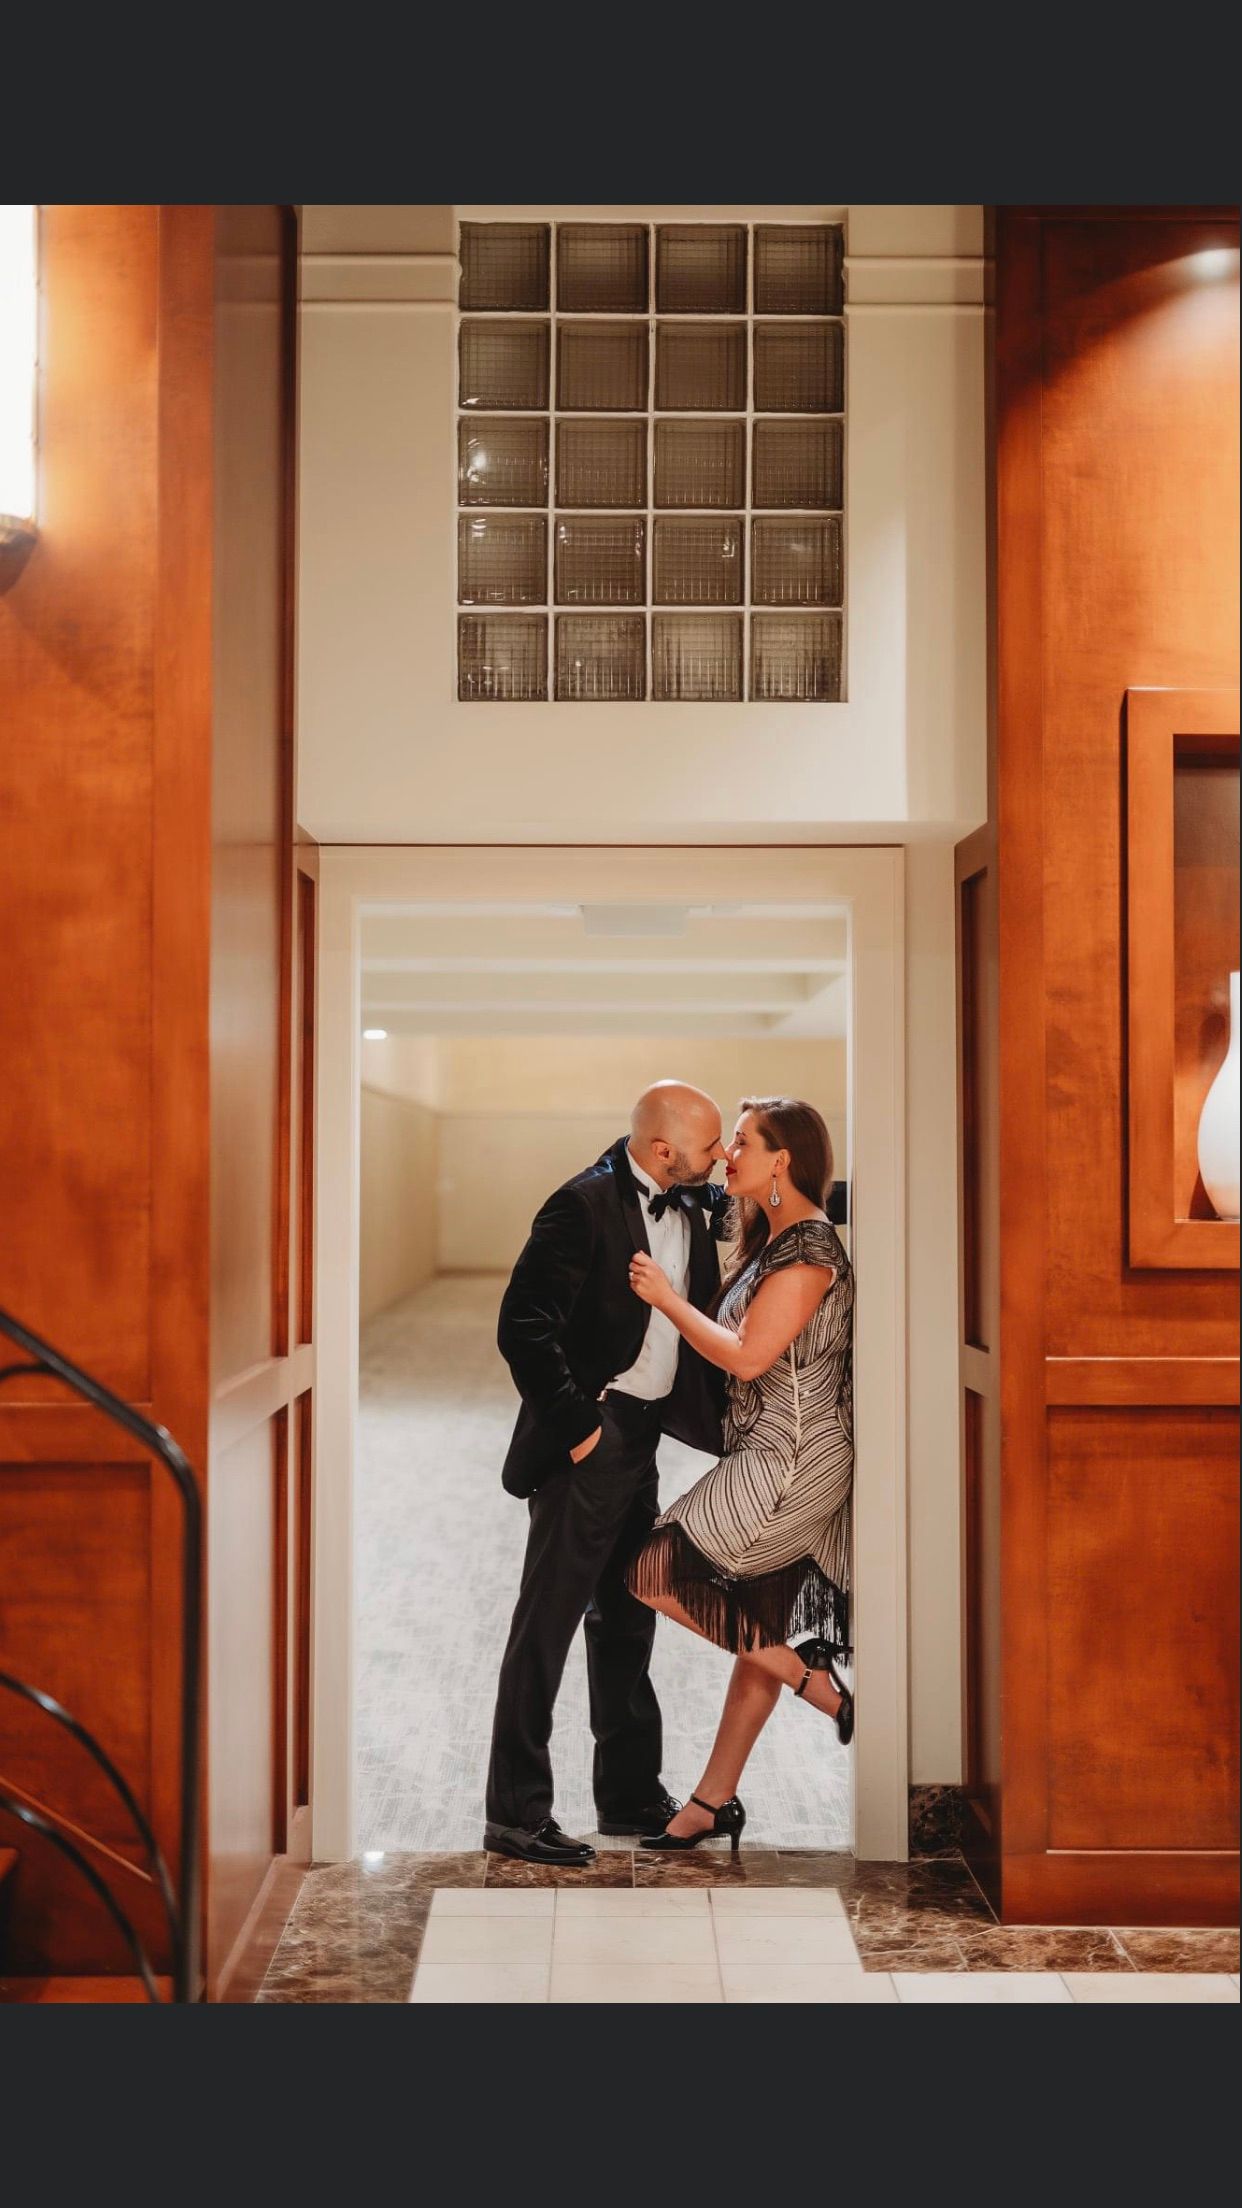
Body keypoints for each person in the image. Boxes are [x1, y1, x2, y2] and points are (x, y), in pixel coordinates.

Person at [483, 1081, 730, 1865]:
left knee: (628, 1615)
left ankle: (626, 1794)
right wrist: (581, 1429)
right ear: (663, 1151)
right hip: (592, 1435)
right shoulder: (581, 1205)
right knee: (546, 1626)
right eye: (708, 1145)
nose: (720, 1157)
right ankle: (515, 1814)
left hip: (644, 1434)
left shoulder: (691, 1202)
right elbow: (521, 1328)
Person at [625, 1096, 854, 1853]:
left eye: (745, 1143)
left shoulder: (811, 1249)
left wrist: (665, 1299)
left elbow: (749, 1357)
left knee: (656, 1572)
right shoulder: (776, 1236)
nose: (730, 1155)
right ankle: (711, 1804)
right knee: (749, 1624)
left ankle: (816, 1683)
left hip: (789, 1460)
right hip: (771, 1450)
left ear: (782, 1160)